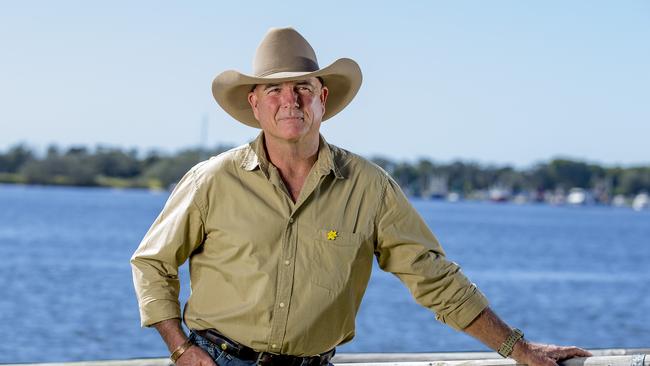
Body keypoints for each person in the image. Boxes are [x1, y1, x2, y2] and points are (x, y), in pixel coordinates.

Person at [131, 27, 591, 366]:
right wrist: (181, 349)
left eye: (302, 89)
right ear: (255, 104)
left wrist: (517, 347)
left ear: (322, 99)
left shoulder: (369, 187)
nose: (289, 100)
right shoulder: (212, 180)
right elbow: (151, 263)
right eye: (274, 89)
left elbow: (434, 277)